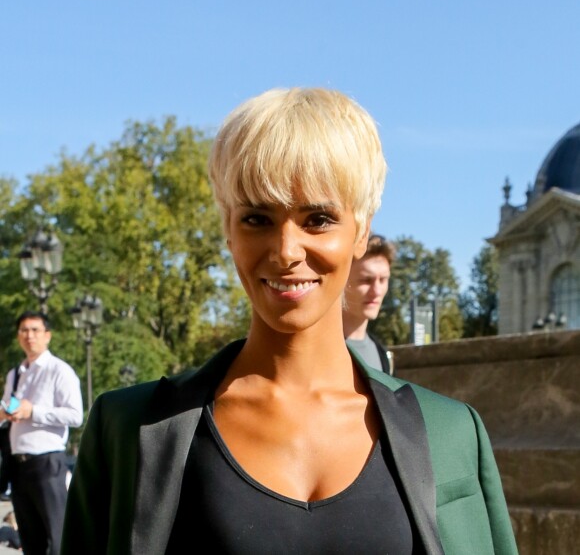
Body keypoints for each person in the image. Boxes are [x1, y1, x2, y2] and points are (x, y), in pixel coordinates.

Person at [62, 87, 518, 554]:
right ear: (227, 229)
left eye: (318, 219)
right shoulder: (129, 430)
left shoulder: (452, 433)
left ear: (361, 232)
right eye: (257, 218)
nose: (285, 251)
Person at [0, 311, 83, 555]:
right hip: (18, 465)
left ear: (47, 335)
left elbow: (75, 415)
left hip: (47, 463)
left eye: (35, 330)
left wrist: (33, 411)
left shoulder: (60, 370)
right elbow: (8, 407)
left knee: (57, 538)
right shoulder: (14, 374)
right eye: (24, 330)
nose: (29, 336)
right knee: (30, 539)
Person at [343, 233, 396, 374]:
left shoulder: (383, 356)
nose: (377, 291)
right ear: (342, 281)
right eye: (366, 280)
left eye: (383, 280)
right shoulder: (313, 351)